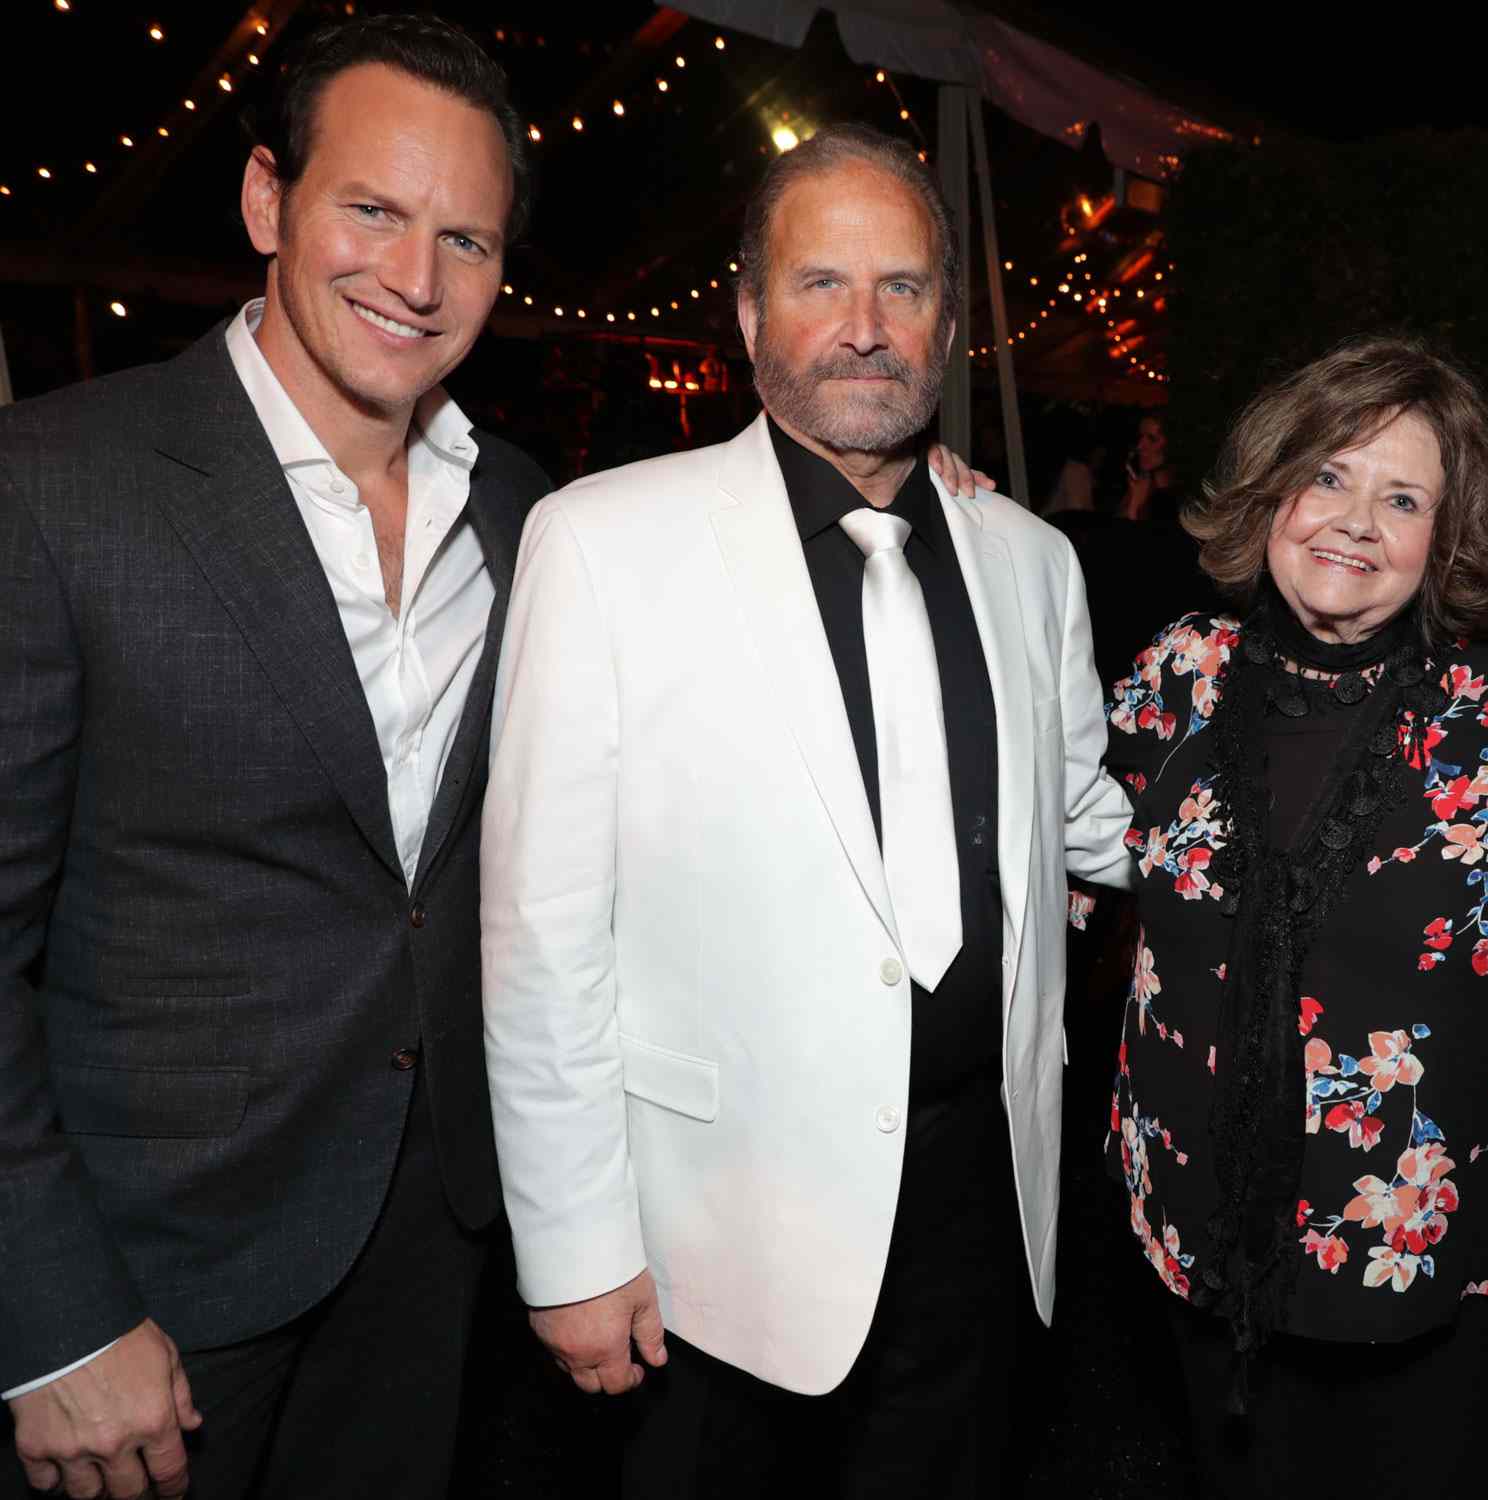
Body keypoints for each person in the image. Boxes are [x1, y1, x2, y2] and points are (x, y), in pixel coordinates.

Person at [479, 122, 1135, 1499]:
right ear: (745, 309)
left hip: (978, 1211)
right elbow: (541, 935)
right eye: (820, 284)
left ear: (950, 320)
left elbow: (1083, 816)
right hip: (714, 1240)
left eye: (902, 288)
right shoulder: (604, 543)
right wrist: (575, 1249)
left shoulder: (1031, 561)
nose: (866, 328)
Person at [0, 17, 549, 1500]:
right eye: (372, 210)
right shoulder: (56, 484)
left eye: (468, 240)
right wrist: (46, 1317)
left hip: (430, 1244)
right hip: (147, 1279)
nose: (417, 281)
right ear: (266, 202)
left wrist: (906, 486)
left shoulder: (521, 508)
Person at [1098, 337, 1488, 1496]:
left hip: (1433, 1279)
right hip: (1198, 1247)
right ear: (1270, 491)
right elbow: (1044, 849)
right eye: (1327, 477)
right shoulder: (1176, 676)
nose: (1353, 521)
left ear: (1444, 537)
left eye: (1401, 497)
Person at [1119, 413, 1180, 521]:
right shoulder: (1140, 482)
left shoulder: (1176, 501)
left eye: (1152, 439)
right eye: (1140, 437)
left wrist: (1134, 507)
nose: (1140, 446)